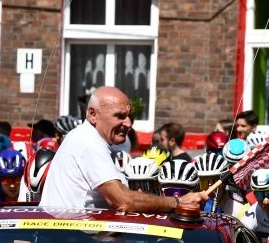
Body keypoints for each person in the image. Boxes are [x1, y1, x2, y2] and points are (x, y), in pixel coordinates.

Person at [40, 87, 207, 212]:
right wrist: (179, 202)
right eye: (119, 116)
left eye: (130, 117)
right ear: (92, 114)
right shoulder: (89, 142)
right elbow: (122, 201)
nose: (128, 124)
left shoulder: (85, 137)